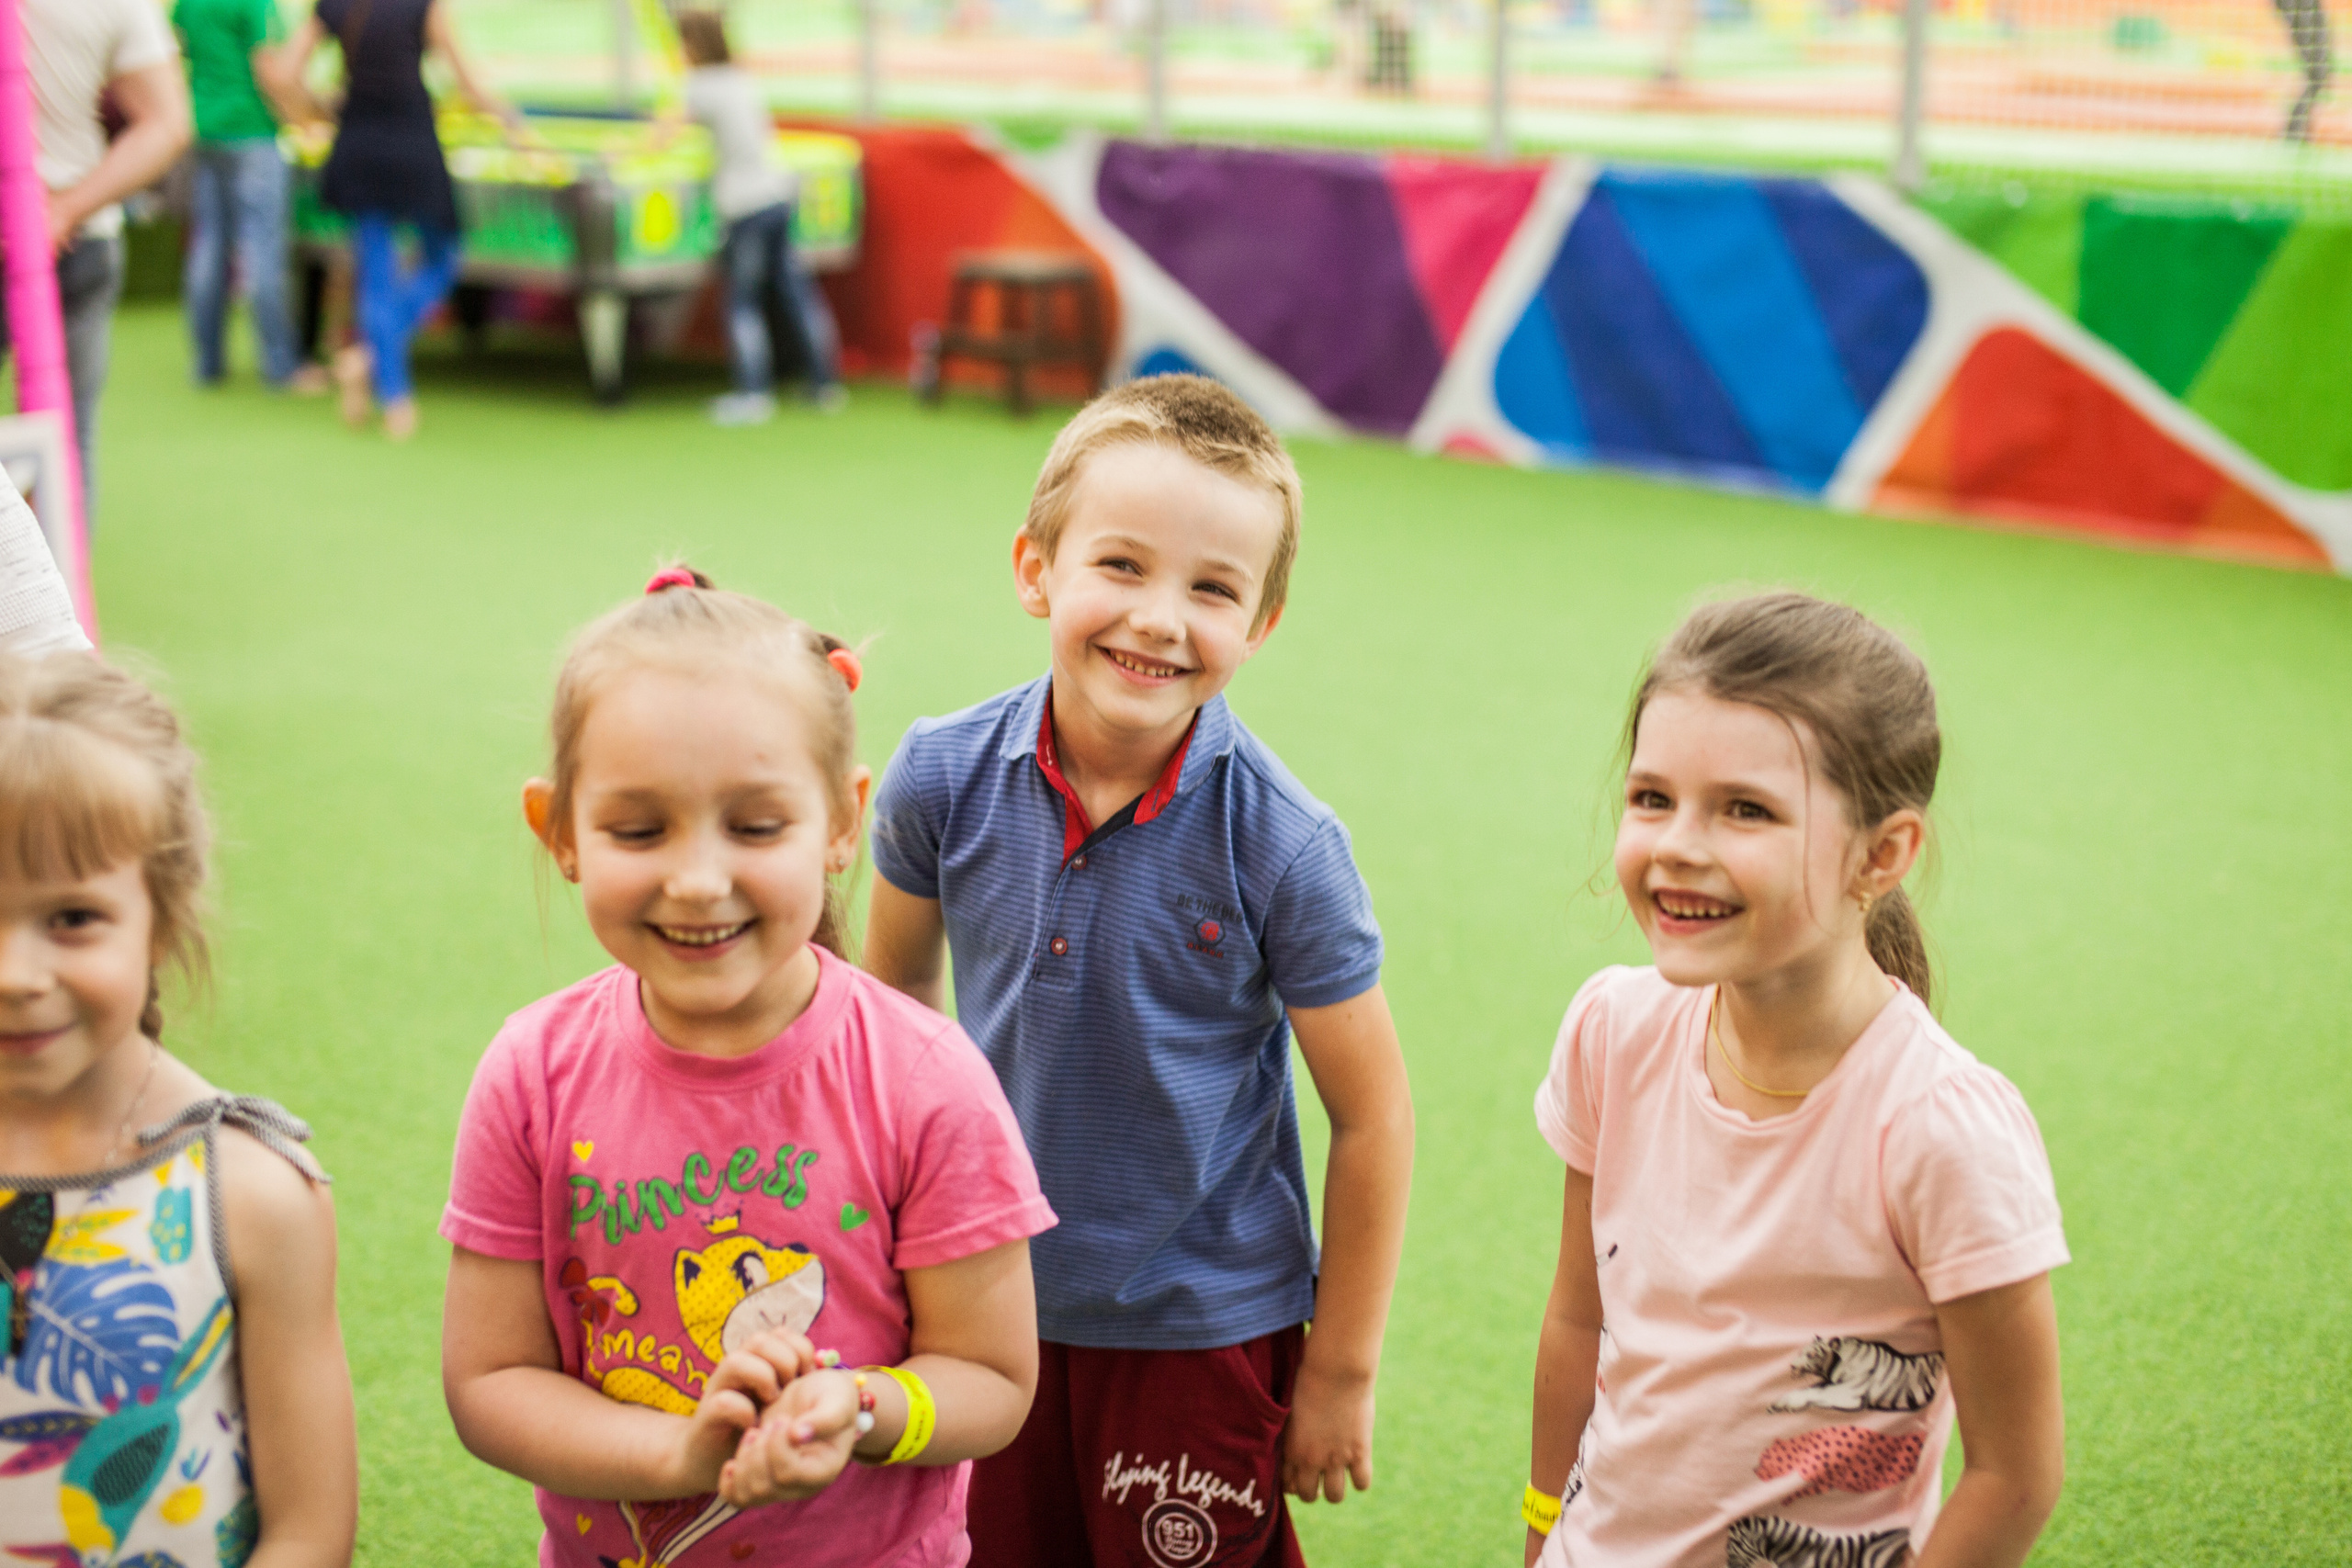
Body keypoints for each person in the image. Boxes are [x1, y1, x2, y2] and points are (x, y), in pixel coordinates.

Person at [864, 374, 1416, 1567]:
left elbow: (1371, 1115)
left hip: (1203, 1326)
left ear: (1260, 622)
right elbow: (890, 1011)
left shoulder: (1285, 844)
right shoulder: (937, 776)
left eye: (1212, 588)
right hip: (980, 1302)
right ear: (1036, 571)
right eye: (1121, 566)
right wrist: (893, 1243)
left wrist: (1341, 1366)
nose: (1160, 618)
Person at [440, 568, 1057, 1567]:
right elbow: (492, 1383)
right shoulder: (530, 1075)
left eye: (756, 825)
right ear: (558, 831)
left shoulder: (923, 1080)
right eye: (639, 829)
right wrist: (683, 1452)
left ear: (842, 823)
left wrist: (855, 1407)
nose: (696, 878)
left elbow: (990, 1380)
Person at [1522, 593, 2068, 1568]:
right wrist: (1538, 1531)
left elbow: (2014, 1477)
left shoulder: (1939, 1129)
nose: (1679, 844)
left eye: (1746, 810)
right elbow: (1577, 1318)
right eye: (1652, 798)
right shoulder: (1613, 1029)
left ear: (1882, 855)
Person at [0, 650, 356, 1567]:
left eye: (72, 917)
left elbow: (310, 1531)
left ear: (161, 914)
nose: (16, 977)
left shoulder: (250, 1193)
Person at [266, 0, 516, 440]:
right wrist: (508, 121)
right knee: (444, 253)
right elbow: (464, 78)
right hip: (411, 141)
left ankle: (387, 385)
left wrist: (316, 111)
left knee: (376, 272)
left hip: (357, 142)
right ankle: (383, 377)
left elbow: (284, 74)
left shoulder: (334, 5)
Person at [8, 0, 194, 525]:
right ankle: (62, 597)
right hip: (80, 232)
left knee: (64, 438)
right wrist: (67, 208)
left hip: (73, 241)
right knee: (67, 438)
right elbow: (168, 124)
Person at [673, 10, 843, 425]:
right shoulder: (740, 79)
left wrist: (624, 152)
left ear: (693, 45)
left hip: (744, 205)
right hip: (777, 195)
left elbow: (666, 131)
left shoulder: (702, 86)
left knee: (742, 302)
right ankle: (825, 384)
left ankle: (753, 392)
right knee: (795, 293)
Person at [174, 0, 325, 392]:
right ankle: (280, 365)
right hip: (253, 132)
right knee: (263, 252)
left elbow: (178, 52)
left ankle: (207, 363)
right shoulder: (255, 3)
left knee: (209, 247)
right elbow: (269, 72)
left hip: (205, 129)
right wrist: (303, 116)